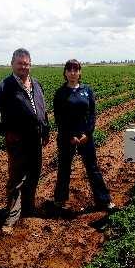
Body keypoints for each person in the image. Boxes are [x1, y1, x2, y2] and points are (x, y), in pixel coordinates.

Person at [0, 48, 50, 233]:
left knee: (34, 174)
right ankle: (11, 216)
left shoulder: (36, 84)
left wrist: (46, 130)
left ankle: (28, 209)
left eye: (26, 63)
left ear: (30, 64)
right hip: (18, 141)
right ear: (12, 64)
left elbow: (42, 110)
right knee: (17, 178)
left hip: (35, 138)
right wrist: (4, 131)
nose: (23, 67)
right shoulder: (5, 86)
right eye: (20, 63)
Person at [53, 59, 114, 211]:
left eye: (76, 70)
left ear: (80, 72)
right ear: (65, 73)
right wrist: (70, 136)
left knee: (93, 168)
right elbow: (59, 118)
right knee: (64, 168)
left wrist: (88, 133)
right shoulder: (60, 93)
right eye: (69, 70)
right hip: (67, 137)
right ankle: (60, 201)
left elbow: (92, 114)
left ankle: (104, 200)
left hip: (85, 136)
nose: (73, 73)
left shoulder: (87, 90)